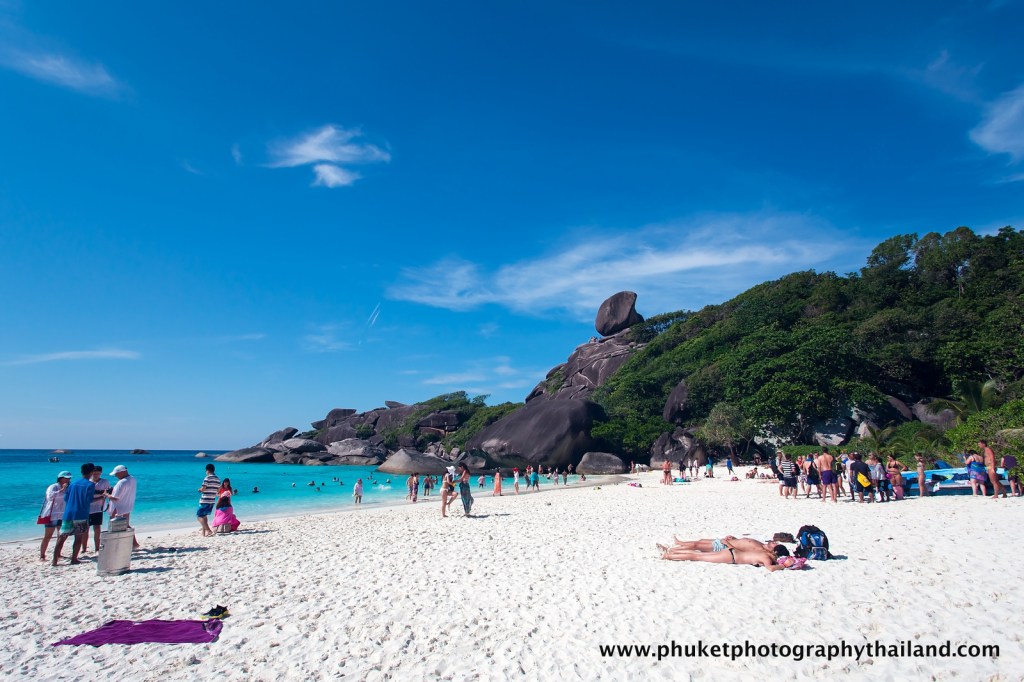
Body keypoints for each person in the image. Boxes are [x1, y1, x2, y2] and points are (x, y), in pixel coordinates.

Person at [52, 463, 96, 566]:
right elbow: (88, 500)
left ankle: (54, 561)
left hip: (68, 513)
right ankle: (74, 559)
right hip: (81, 514)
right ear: (92, 472)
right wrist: (101, 497)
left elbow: (66, 498)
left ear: (81, 471)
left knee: (62, 537)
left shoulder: (72, 483)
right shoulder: (90, 485)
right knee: (78, 537)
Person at [658, 542, 789, 572]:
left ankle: (671, 553)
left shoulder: (763, 553)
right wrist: (783, 566)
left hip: (731, 551)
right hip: (731, 558)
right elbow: (770, 569)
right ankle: (668, 556)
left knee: (698, 554)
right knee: (696, 556)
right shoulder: (767, 558)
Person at [104, 465, 139, 548]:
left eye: (116, 474)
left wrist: (107, 495)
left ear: (121, 472)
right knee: (126, 525)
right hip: (127, 506)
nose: (116, 476)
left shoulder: (122, 482)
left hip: (118, 508)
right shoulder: (133, 479)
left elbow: (116, 498)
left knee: (115, 527)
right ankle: (134, 543)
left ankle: (117, 545)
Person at [39, 471, 70, 561]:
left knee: (61, 536)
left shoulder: (68, 488)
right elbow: (49, 497)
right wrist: (61, 490)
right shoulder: (53, 486)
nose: (68, 479)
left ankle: (58, 553)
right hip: (52, 515)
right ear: (60, 478)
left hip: (63, 514)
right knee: (48, 536)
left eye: (69, 478)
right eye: (66, 478)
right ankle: (42, 555)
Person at [83, 465, 111, 553]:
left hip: (98, 508)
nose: (96, 475)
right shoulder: (88, 481)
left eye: (98, 473)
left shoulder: (104, 481)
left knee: (97, 528)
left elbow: (108, 491)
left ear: (100, 473)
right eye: (94, 473)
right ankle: (84, 548)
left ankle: (97, 548)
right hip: (87, 508)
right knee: (85, 529)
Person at [197, 463, 221, 537]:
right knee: (204, 516)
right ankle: (204, 534)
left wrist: (200, 490)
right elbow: (219, 490)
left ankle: (208, 530)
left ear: (207, 470)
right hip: (212, 500)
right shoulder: (218, 479)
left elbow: (203, 488)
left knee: (199, 516)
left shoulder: (207, 478)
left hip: (205, 500)